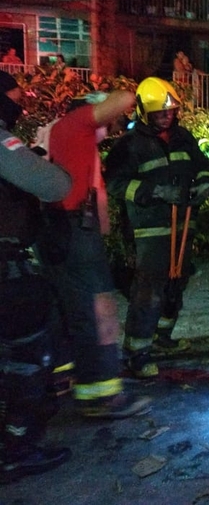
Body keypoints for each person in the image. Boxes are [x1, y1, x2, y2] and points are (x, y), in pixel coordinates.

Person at [39, 90, 152, 419]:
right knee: (99, 312)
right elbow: (127, 97)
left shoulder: (60, 134)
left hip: (61, 231)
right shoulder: (75, 125)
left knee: (69, 309)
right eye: (108, 119)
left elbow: (97, 199)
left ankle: (65, 379)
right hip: (73, 230)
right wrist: (103, 102)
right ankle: (102, 395)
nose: (114, 124)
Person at [104, 77, 209, 379]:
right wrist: (156, 192)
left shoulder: (182, 137)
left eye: (171, 111)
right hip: (149, 231)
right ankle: (136, 353)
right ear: (144, 112)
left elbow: (201, 164)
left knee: (176, 284)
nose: (167, 117)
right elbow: (115, 183)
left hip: (184, 226)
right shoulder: (129, 145)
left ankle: (163, 337)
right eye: (160, 113)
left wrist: (206, 181)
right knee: (148, 292)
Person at [0, 71, 72, 483]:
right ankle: (17, 448)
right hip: (8, 273)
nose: (20, 107)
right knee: (27, 359)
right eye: (14, 99)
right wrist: (40, 158)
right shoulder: (3, 143)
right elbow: (54, 184)